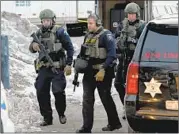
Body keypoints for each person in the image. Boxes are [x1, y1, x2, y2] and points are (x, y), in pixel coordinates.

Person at [75, 13, 122, 133]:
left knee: (105, 98)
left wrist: (103, 69)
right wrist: (77, 66)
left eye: (91, 23)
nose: (89, 26)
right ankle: (86, 128)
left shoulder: (107, 36)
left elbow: (112, 55)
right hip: (90, 72)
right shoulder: (88, 36)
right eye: (88, 23)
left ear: (97, 23)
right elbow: (82, 54)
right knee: (87, 99)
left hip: (104, 73)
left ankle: (114, 123)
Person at [29, 9, 74, 126]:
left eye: (48, 20)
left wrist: (69, 64)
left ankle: (61, 113)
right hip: (44, 68)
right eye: (44, 21)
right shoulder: (38, 33)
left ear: (53, 20)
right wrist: (34, 46)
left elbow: (70, 48)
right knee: (41, 91)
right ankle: (47, 118)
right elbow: (31, 48)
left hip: (57, 67)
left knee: (58, 91)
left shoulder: (60, 32)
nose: (46, 23)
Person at [114, 2, 145, 118]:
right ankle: (126, 106)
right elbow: (115, 38)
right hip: (123, 60)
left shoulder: (142, 26)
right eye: (129, 14)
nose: (130, 16)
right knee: (118, 84)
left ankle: (135, 108)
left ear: (137, 14)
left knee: (134, 87)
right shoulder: (122, 26)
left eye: (133, 14)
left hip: (135, 61)